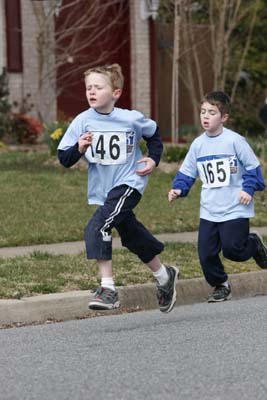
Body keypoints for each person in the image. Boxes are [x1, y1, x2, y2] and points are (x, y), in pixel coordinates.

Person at [57, 63, 178, 312]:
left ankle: (108, 289)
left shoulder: (130, 118)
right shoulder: (82, 121)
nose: (91, 91)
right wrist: (79, 148)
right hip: (104, 190)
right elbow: (64, 159)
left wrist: (153, 159)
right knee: (131, 233)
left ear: (116, 92)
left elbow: (154, 135)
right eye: (88, 87)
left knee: (97, 226)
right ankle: (165, 276)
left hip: (129, 182)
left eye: (98, 87)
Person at [168, 91, 267, 302]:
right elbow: (187, 172)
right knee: (206, 254)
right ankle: (221, 285)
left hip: (235, 206)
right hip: (209, 209)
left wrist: (248, 189)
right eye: (203, 111)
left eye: (211, 112)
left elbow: (254, 170)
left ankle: (253, 244)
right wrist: (178, 188)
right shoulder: (198, 145)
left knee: (233, 250)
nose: (205, 116)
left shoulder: (235, 141)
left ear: (223, 117)